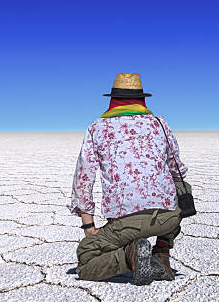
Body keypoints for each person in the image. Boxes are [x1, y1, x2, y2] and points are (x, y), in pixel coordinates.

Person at [67, 72, 191, 285]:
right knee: (181, 184)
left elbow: (83, 179)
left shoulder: (97, 128)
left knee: (86, 257)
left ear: (112, 100)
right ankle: (162, 253)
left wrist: (89, 228)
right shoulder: (160, 123)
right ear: (142, 99)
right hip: (169, 218)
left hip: (126, 225)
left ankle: (130, 255)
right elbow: (177, 169)